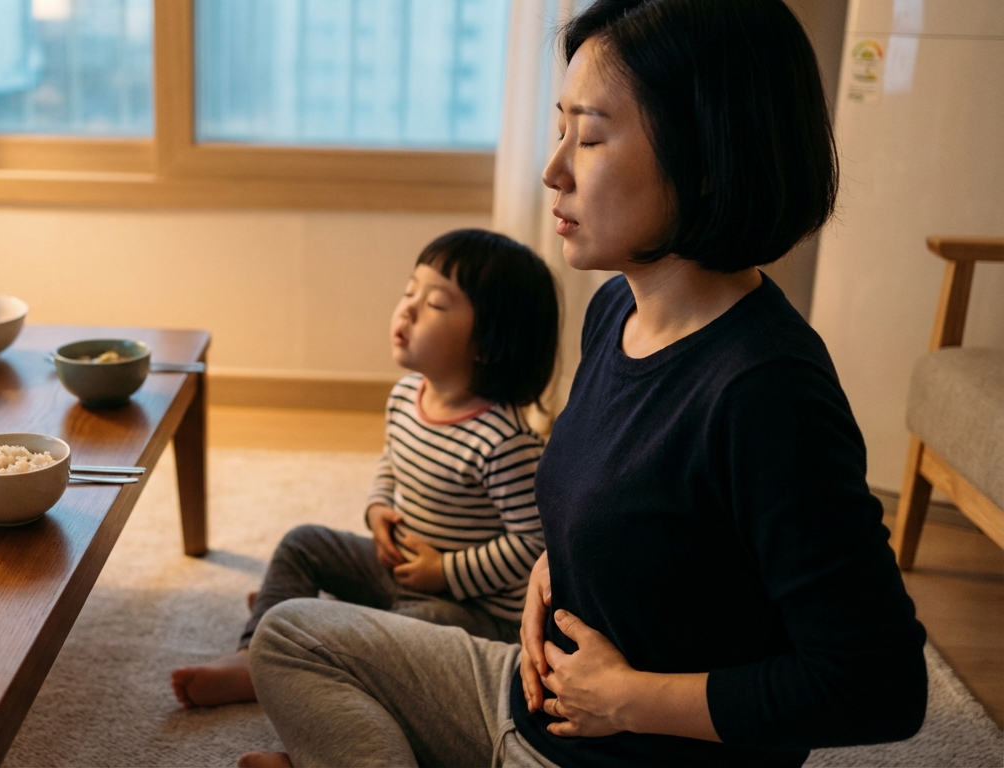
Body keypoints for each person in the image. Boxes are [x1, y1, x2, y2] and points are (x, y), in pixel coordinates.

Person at [239, 0, 929, 766]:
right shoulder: (614, 309)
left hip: (616, 748)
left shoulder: (769, 393)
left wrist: (630, 697)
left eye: (591, 137)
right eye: (560, 127)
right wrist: (553, 569)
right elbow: (628, 511)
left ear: (705, 161)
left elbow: (880, 683)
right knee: (291, 635)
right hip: (520, 694)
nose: (554, 169)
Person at [171, 228, 560, 709]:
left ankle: (322, 635)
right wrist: (377, 509)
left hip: (470, 611)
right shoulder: (405, 395)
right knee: (303, 543)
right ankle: (256, 655)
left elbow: (534, 546)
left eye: (435, 303)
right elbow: (392, 464)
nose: (407, 309)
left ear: (489, 343)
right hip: (399, 568)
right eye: (408, 291)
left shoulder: (503, 442)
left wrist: (447, 571)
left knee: (405, 631)